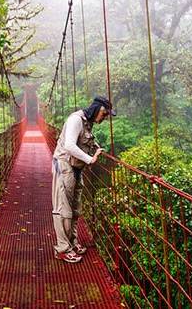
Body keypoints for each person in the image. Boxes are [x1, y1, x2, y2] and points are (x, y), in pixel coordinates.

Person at [51, 96, 116, 263]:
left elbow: (83, 142)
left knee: (75, 208)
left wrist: (95, 148)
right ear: (98, 110)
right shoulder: (75, 120)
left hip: (76, 169)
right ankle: (63, 249)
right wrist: (90, 159)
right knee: (63, 209)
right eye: (105, 114)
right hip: (65, 166)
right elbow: (69, 146)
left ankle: (72, 243)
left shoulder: (87, 123)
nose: (105, 117)